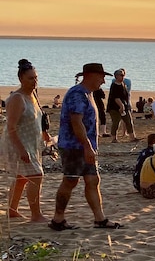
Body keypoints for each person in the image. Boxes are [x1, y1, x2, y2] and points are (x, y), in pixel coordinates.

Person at [50, 63, 123, 230]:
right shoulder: (77, 94)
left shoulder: (88, 94)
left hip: (85, 145)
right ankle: (58, 219)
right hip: (74, 145)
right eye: (101, 77)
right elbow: (76, 122)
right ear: (90, 75)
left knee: (93, 180)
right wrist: (87, 146)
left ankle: (100, 219)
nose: (103, 81)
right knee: (70, 180)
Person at [0, 59, 52, 222]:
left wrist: (45, 135)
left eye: (36, 78)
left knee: (22, 177)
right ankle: (36, 215)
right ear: (21, 78)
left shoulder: (33, 96)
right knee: (36, 176)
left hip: (31, 143)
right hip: (18, 144)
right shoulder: (17, 98)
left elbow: (37, 119)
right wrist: (21, 150)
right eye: (31, 78)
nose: (34, 81)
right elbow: (11, 127)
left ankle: (12, 210)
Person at [107, 69, 139, 143]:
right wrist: (121, 106)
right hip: (115, 108)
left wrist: (125, 106)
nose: (123, 77)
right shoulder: (114, 85)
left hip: (124, 106)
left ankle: (132, 137)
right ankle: (114, 138)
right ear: (116, 76)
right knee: (116, 122)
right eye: (121, 75)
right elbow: (116, 97)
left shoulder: (123, 84)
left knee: (128, 121)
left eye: (123, 75)